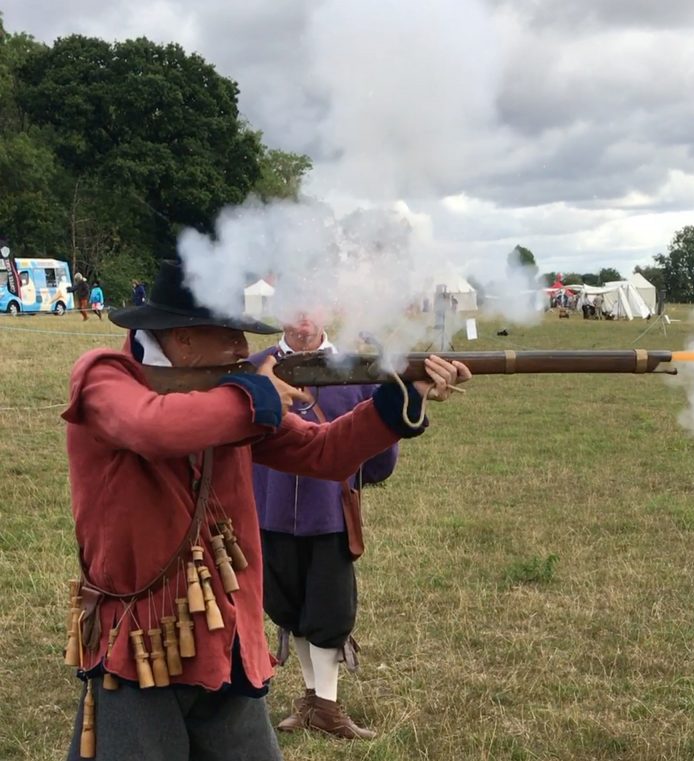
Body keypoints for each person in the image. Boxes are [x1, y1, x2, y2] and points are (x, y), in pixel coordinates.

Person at [61, 259, 470, 760]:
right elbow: (152, 428)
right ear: (184, 338)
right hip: (140, 643)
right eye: (231, 334)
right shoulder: (105, 376)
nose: (243, 348)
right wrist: (253, 393)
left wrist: (398, 399)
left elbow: (324, 453)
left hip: (225, 640)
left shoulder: (229, 396)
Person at [250, 315, 397, 740]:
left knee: (329, 610)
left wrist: (353, 477)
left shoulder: (355, 369)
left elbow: (380, 444)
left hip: (330, 511)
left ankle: (327, 705)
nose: (302, 319)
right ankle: (313, 698)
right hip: (270, 508)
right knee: (290, 606)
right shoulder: (257, 367)